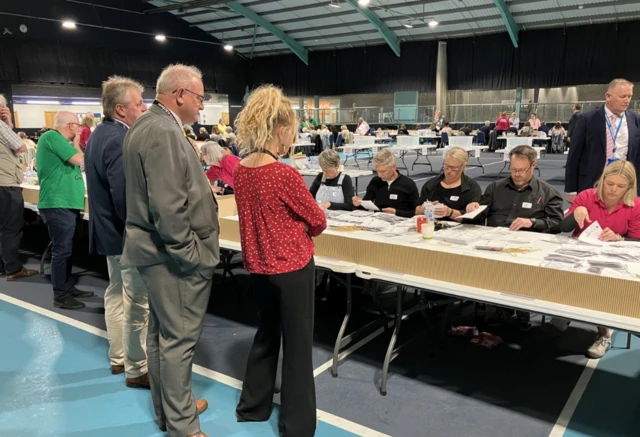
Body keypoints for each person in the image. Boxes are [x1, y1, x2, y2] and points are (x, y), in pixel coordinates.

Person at [122, 64, 218, 437]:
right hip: (170, 256)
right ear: (179, 94)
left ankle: (170, 410)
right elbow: (167, 205)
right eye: (199, 98)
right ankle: (184, 427)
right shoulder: (163, 132)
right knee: (178, 340)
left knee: (161, 334)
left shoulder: (145, 126)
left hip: (152, 251)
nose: (201, 106)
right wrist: (189, 254)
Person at [233, 85, 326, 437]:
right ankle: (298, 426)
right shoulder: (283, 173)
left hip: (258, 267)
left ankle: (252, 407)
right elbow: (318, 220)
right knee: (298, 347)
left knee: (266, 335)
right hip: (292, 268)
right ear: (281, 129)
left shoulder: (242, 170)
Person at [84, 75, 150, 387]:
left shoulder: (99, 134)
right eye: (139, 104)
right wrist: (142, 230)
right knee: (137, 302)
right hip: (125, 236)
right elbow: (124, 195)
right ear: (121, 110)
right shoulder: (119, 139)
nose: (144, 108)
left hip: (109, 234)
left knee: (116, 294)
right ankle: (137, 368)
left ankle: (119, 357)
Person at [465, 145, 564, 330]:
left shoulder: (548, 193)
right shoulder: (495, 188)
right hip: (493, 245)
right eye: (513, 169)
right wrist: (473, 207)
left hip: (528, 249)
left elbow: (558, 224)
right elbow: (480, 214)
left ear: (533, 166)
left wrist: (532, 222)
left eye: (521, 170)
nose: (517, 174)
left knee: (520, 266)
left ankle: (521, 308)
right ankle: (498, 306)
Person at [554, 160, 640, 358]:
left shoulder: (635, 205)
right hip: (580, 251)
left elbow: (636, 240)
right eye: (609, 184)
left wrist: (620, 238)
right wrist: (575, 212)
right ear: (602, 180)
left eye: (620, 186)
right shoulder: (586, 196)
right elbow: (563, 228)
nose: (613, 190)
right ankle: (564, 310)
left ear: (629, 187)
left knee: (604, 285)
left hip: (613, 255)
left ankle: (604, 334)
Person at [36, 111, 94, 309]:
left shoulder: (58, 142)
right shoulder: (51, 136)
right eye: (77, 126)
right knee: (62, 251)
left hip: (66, 203)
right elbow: (81, 160)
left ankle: (67, 287)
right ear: (70, 126)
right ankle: (61, 295)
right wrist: (78, 142)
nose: (79, 129)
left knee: (66, 250)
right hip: (57, 203)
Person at [566, 79, 640, 202]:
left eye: (629, 96)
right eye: (622, 96)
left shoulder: (636, 121)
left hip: (625, 185)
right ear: (608, 96)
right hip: (592, 182)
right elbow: (574, 156)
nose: (627, 100)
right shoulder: (587, 120)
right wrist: (571, 190)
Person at [0, 95, 38, 281]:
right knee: (11, 228)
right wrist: (8, 123)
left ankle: (2, 266)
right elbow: (21, 147)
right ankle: (13, 269)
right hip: (6, 183)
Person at [415, 147, 481, 220]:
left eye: (454, 168)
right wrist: (423, 209)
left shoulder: (472, 187)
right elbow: (415, 210)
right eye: (446, 166)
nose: (449, 171)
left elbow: (474, 218)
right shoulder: (431, 184)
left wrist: (450, 212)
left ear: (464, 167)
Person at [353, 148, 419, 218]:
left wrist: (396, 212)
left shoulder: (408, 184)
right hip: (379, 221)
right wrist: (358, 203)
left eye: (383, 171)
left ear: (394, 167)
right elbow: (365, 206)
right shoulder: (375, 181)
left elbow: (416, 213)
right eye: (377, 171)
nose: (379, 175)